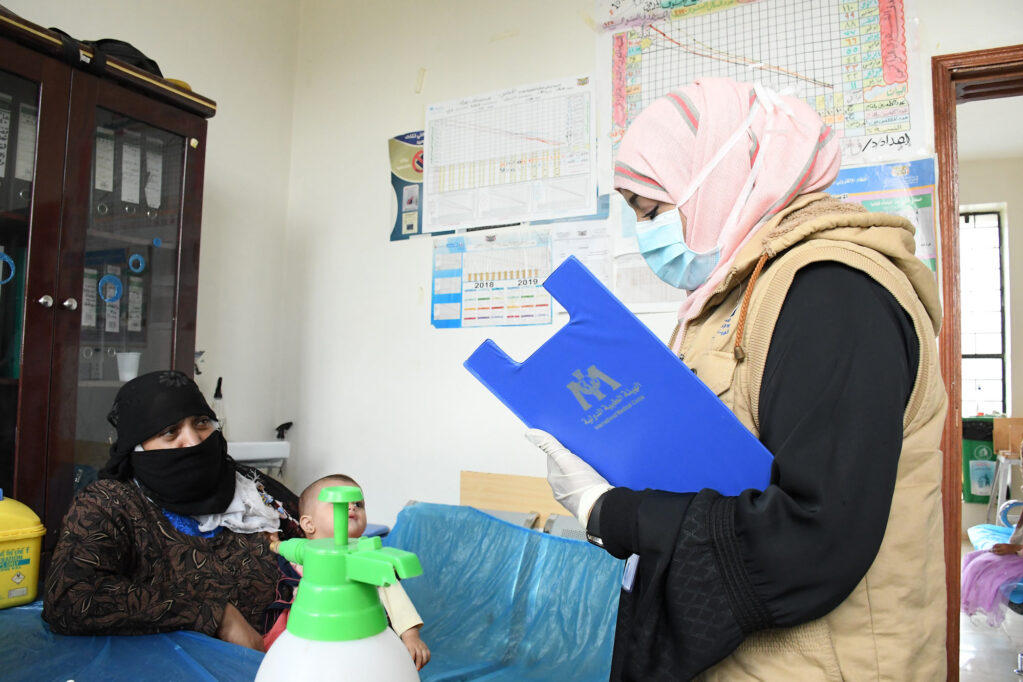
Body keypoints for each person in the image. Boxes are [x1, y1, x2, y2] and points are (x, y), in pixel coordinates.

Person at [526, 78, 948, 680]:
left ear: (722, 177)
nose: (645, 233)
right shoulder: (734, 294)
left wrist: (609, 512)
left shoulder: (833, 292)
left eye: (651, 209)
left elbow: (812, 536)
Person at [43, 370, 302, 651]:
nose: (194, 441)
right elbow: (70, 598)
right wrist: (215, 614)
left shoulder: (249, 487)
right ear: (138, 445)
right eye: (170, 432)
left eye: (201, 422)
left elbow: (317, 533)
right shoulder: (110, 503)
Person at [263, 473, 431, 671]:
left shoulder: (366, 558)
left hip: (360, 638)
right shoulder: (300, 553)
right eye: (340, 504)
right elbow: (285, 548)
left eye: (358, 504)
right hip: (309, 641)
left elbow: (394, 596)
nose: (352, 507)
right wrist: (273, 543)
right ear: (309, 524)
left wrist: (410, 637)